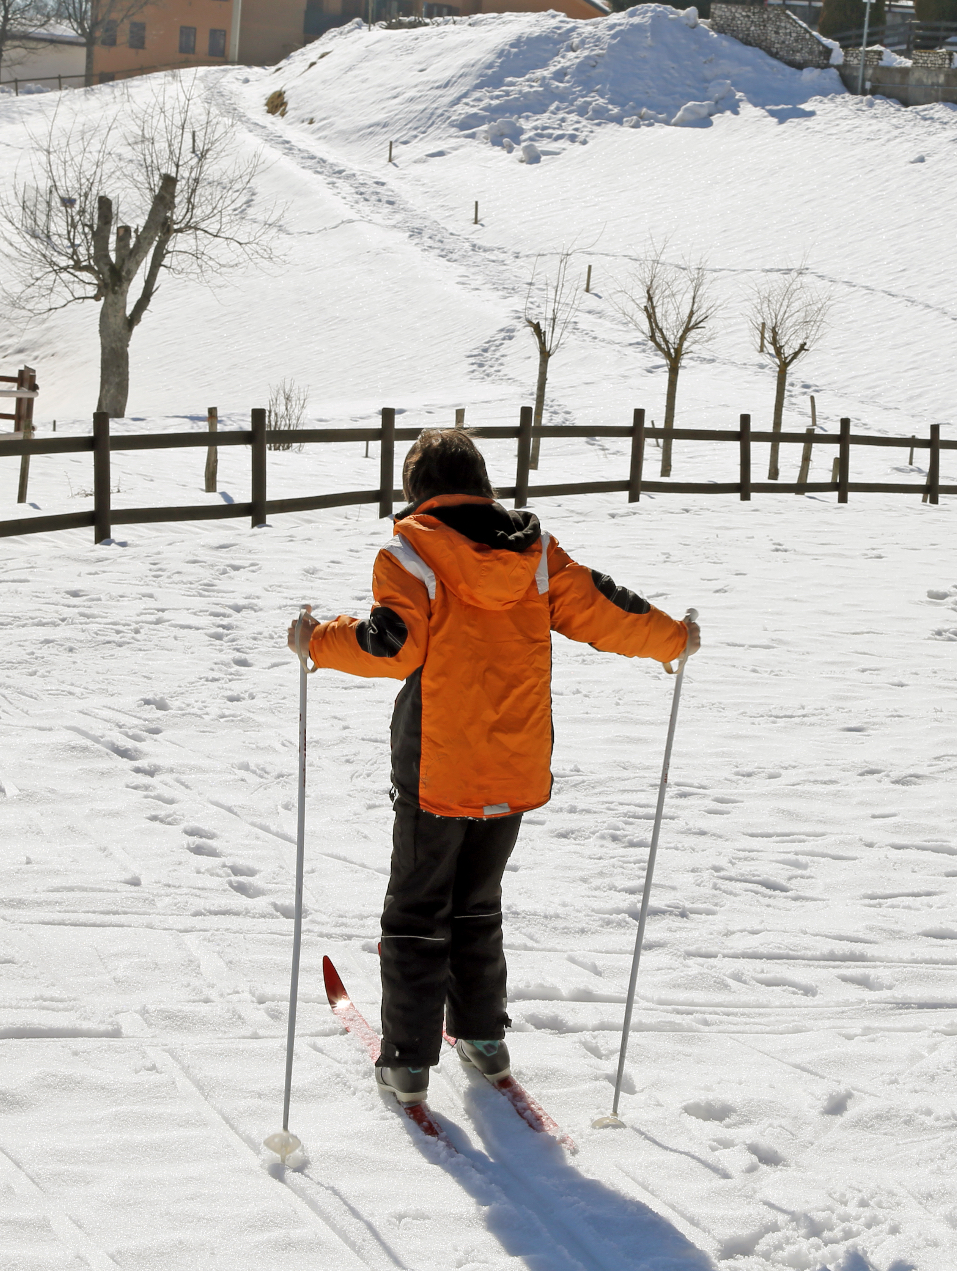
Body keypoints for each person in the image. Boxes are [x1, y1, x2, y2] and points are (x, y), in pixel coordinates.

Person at [286, 429, 697, 1107]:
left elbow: (392, 646)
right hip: (513, 767)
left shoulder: (408, 550)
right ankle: (482, 1038)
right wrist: (673, 638)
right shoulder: (532, 552)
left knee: (418, 910)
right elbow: (604, 605)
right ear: (482, 482)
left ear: (417, 485)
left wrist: (315, 641)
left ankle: (409, 1062)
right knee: (477, 904)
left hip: (439, 771)